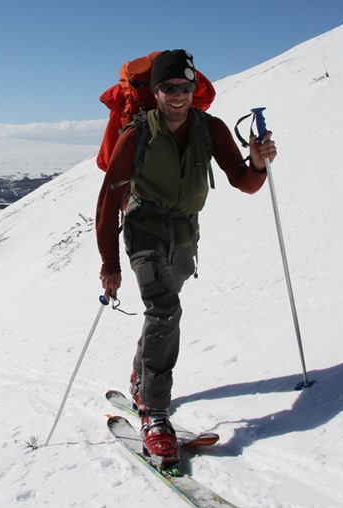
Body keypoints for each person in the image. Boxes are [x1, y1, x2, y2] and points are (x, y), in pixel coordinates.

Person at [95, 49, 278, 466]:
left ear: (194, 89)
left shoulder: (210, 128)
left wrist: (256, 161)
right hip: (143, 228)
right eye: (168, 88)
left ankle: (141, 379)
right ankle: (156, 414)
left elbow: (244, 183)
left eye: (184, 87)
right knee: (165, 309)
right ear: (156, 92)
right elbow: (109, 202)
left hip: (184, 235)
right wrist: (110, 264)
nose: (178, 95)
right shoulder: (137, 133)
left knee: (162, 313)